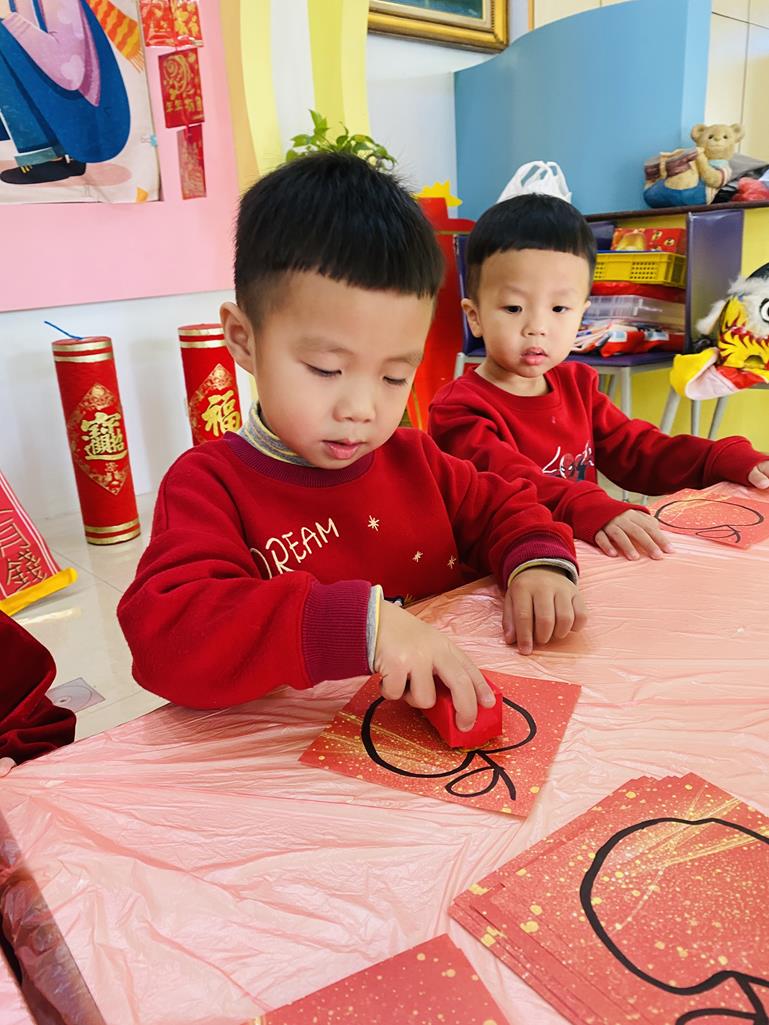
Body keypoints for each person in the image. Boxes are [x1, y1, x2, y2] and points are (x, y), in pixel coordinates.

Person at [118, 155, 586, 730]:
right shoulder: (210, 486)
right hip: (296, 760)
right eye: (325, 369)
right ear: (243, 339)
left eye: (394, 376)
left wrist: (536, 563)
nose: (361, 409)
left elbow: (508, 506)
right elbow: (166, 640)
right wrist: (365, 626)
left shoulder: (416, 461)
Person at [429, 194, 769, 561]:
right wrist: (587, 507)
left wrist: (719, 459)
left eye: (559, 308)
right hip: (505, 567)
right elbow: (509, 481)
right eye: (513, 307)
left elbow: (638, 450)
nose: (537, 327)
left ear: (582, 315)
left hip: (578, 556)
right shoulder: (458, 410)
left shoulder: (578, 384)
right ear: (475, 316)